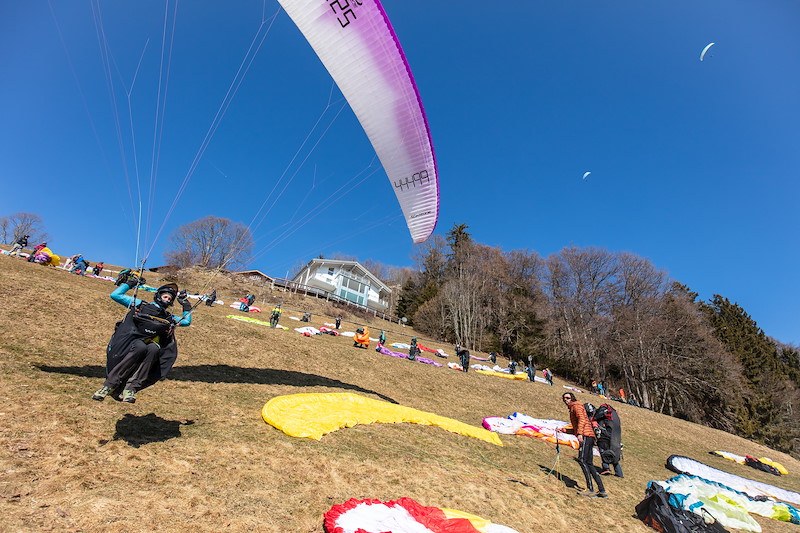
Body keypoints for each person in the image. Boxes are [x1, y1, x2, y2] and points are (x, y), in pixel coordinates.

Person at [91, 274, 192, 404]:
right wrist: (130, 283)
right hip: (131, 342)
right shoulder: (141, 305)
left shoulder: (169, 317)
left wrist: (185, 305)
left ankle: (131, 388)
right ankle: (109, 385)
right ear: (158, 296)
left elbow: (186, 322)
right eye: (165, 296)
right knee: (140, 347)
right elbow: (115, 295)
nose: (166, 300)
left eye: (169, 298)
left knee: (153, 349)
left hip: (151, 344)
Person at [563, 392, 607, 498]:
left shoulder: (576, 406)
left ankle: (590, 489)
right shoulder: (573, 408)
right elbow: (577, 426)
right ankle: (602, 490)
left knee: (582, 460)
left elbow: (582, 420)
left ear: (572, 398)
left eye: (568, 398)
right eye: (564, 398)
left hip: (586, 435)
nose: (566, 400)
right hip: (589, 435)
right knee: (589, 463)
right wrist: (564, 430)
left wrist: (580, 434)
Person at [593, 404, 623, 478]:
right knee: (615, 455)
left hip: (606, 437)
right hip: (616, 438)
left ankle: (606, 468)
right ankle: (619, 473)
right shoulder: (614, 415)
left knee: (604, 451)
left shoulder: (603, 417)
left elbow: (596, 420)